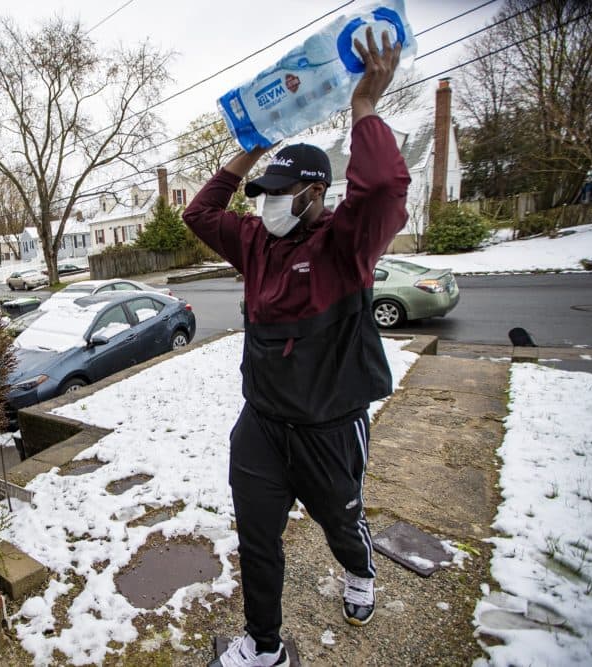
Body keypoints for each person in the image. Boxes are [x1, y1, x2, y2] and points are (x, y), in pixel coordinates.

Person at [185, 28, 409, 667]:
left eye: (278, 195)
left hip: (329, 430)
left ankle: (360, 570)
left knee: (341, 524)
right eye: (262, 195)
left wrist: (365, 109)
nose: (266, 204)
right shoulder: (256, 242)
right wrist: (244, 154)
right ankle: (263, 647)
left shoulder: (347, 244)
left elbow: (386, 189)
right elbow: (199, 217)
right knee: (257, 540)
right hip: (261, 426)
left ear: (315, 194)